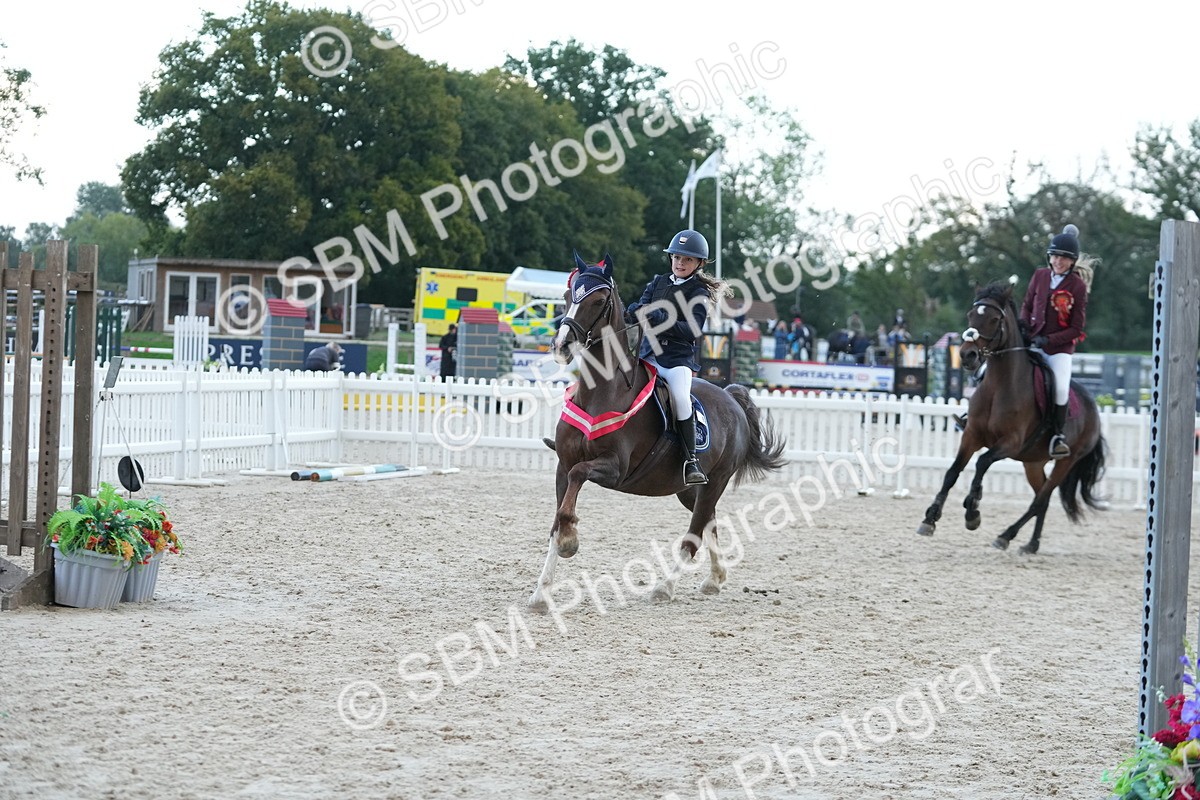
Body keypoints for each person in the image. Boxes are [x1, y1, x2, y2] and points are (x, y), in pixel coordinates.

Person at [624, 228, 727, 486]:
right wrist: (633, 311)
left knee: (681, 398)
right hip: (647, 354)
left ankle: (691, 459)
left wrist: (662, 318)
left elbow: (692, 329)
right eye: (676, 257)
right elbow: (641, 305)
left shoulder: (698, 292)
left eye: (687, 259)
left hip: (675, 360)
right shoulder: (658, 281)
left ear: (699, 263)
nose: (680, 263)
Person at [1019, 223, 1096, 460]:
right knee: (996, 364)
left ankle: (1057, 435)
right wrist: (1023, 328)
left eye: (1063, 258)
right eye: (1055, 256)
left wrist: (1048, 339)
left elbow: (1075, 328)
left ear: (1072, 262)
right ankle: (973, 414)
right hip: (1031, 340)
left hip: (1058, 349)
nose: (1058, 261)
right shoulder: (1040, 275)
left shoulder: (1077, 287)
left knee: (1061, 388)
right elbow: (1027, 305)